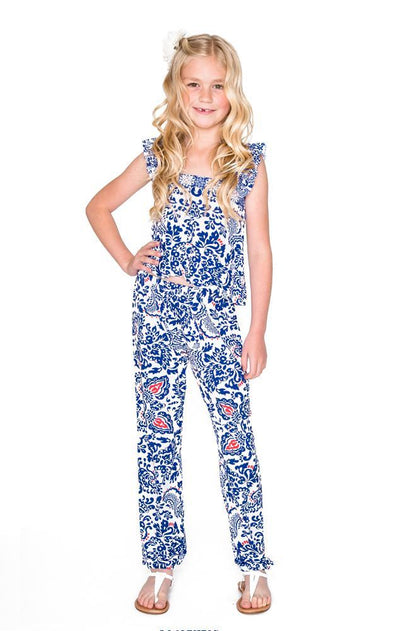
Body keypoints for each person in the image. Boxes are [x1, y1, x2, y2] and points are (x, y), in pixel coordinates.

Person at [86, 31, 274, 615]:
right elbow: (98, 206)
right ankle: (161, 564)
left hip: (220, 327)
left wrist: (257, 329)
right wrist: (127, 259)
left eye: (217, 85)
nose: (205, 96)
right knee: (158, 440)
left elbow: (260, 251)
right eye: (193, 84)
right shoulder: (159, 155)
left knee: (236, 440)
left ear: (232, 92)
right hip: (156, 320)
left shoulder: (247, 165)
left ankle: (252, 566)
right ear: (176, 89)